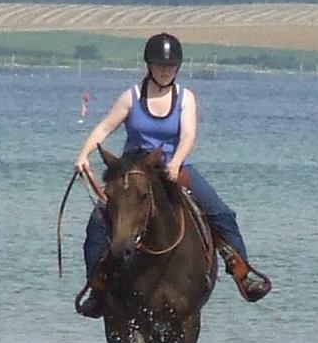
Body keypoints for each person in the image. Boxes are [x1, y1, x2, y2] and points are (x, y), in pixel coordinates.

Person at [73, 32, 271, 318]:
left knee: (221, 214)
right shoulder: (131, 97)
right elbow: (104, 128)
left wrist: (176, 161)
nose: (165, 71)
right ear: (149, 66)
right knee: (97, 225)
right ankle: (97, 287)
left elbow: (188, 134)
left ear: (177, 68)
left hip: (172, 168)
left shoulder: (185, 98)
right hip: (136, 171)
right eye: (159, 65)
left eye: (170, 66)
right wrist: (84, 154)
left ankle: (241, 270)